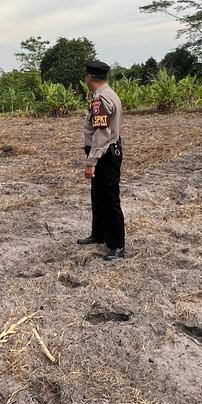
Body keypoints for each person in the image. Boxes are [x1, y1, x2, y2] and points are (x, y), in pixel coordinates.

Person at [76, 59, 125, 261]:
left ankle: (116, 246)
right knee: (98, 196)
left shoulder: (100, 99)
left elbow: (102, 134)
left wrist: (91, 162)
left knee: (109, 199)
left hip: (104, 154)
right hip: (108, 151)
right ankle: (98, 234)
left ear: (89, 77)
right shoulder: (109, 94)